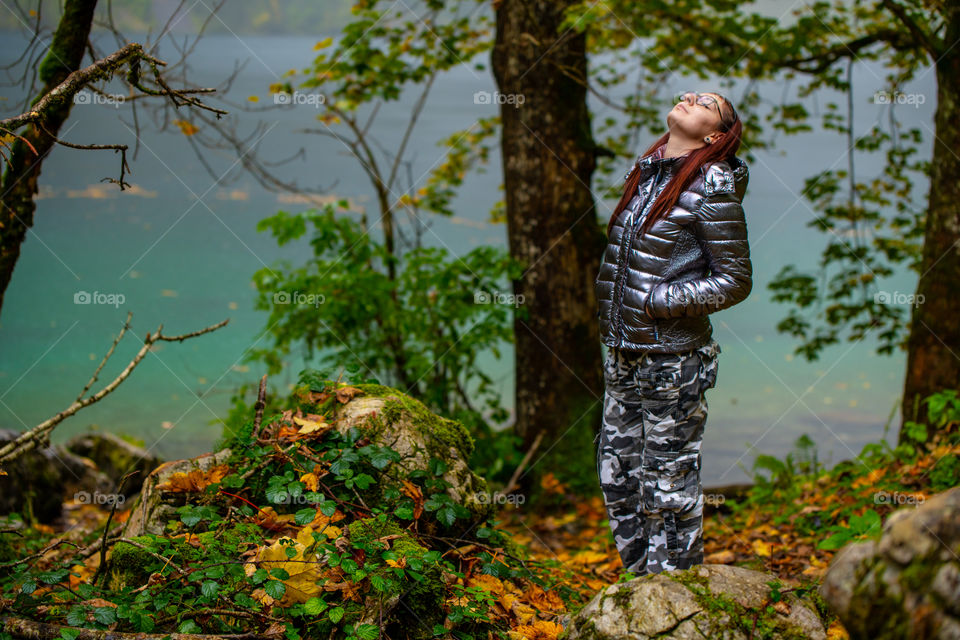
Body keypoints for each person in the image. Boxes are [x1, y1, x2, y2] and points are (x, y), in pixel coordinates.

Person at [593, 90, 752, 576]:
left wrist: (657, 303)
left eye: (707, 101)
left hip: (675, 361)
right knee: (618, 476)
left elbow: (735, 279)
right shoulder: (648, 173)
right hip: (625, 353)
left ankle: (675, 595)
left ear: (715, 135)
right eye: (690, 93)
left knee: (668, 483)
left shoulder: (713, 187)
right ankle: (641, 589)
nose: (690, 97)